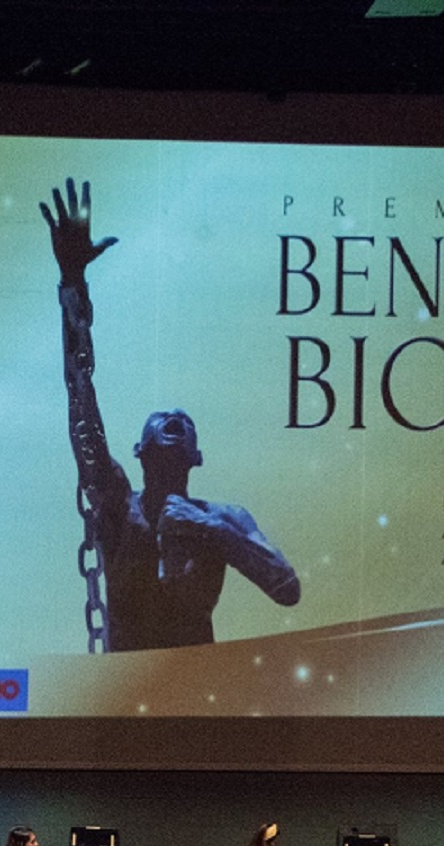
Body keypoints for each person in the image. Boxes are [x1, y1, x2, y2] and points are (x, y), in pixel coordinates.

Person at [41, 176, 299, 652]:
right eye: (160, 419)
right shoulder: (118, 505)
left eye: (184, 422)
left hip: (195, 699)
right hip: (127, 697)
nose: (174, 414)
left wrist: (210, 529)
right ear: (139, 451)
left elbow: (287, 589)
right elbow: (80, 402)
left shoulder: (224, 518)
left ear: (196, 457)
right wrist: (72, 285)